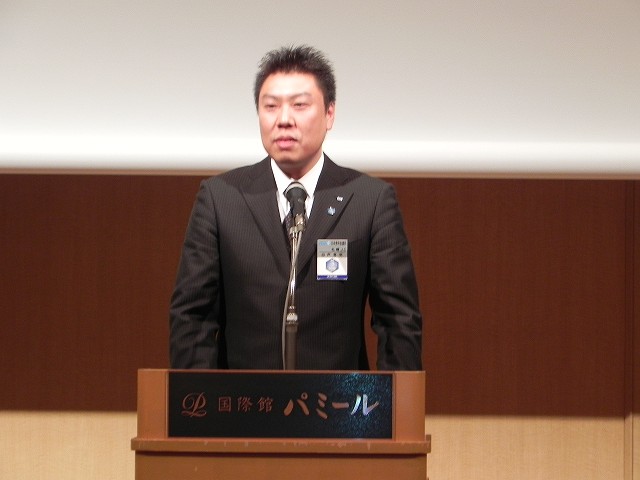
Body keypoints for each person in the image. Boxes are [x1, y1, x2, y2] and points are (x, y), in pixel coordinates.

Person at [169, 45, 422, 371]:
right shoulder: (221, 198)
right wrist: (198, 400)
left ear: (329, 114)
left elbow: (398, 321)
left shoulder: (370, 201)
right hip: (244, 400)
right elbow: (192, 318)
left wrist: (397, 402)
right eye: (270, 106)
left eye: (300, 105)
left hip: (338, 400)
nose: (284, 120)